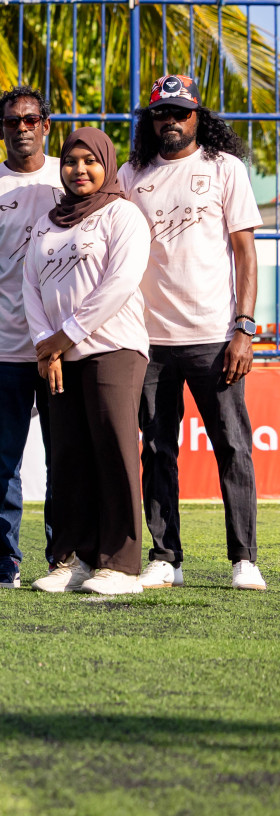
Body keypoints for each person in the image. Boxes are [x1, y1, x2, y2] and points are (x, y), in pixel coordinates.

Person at [120, 75, 266, 591]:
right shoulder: (131, 173)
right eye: (161, 114)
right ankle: (166, 557)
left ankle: (243, 558)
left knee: (232, 444)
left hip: (213, 335)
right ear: (150, 120)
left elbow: (246, 252)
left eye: (180, 113)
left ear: (198, 116)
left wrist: (243, 328)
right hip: (149, 338)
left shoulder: (223, 168)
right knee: (158, 450)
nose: (171, 122)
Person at [26, 128, 152, 596]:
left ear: (107, 165)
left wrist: (63, 337)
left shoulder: (123, 215)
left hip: (113, 349)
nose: (79, 170)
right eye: (70, 162)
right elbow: (29, 288)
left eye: (89, 162)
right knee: (69, 459)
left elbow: (119, 285)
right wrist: (47, 345)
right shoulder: (47, 222)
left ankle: (121, 566)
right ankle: (74, 560)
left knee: (114, 454)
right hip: (60, 356)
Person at [0, 87, 62, 589]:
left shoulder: (71, 175)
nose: (22, 127)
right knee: (4, 459)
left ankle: (62, 556)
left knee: (64, 454)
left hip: (64, 348)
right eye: (11, 121)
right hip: (4, 345)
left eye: (30, 119)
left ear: (46, 124)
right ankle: (8, 559)